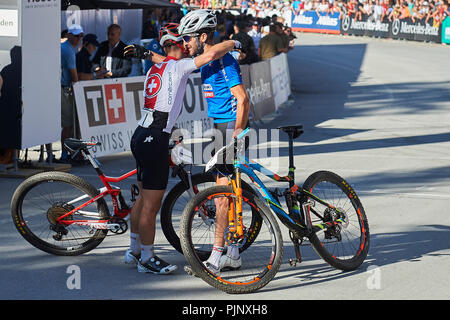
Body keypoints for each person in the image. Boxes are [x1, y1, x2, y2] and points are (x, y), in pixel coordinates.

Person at [122, 23, 242, 274]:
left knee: (142, 199)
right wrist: (234, 43)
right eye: (183, 43)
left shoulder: (157, 66)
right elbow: (210, 54)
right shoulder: (178, 66)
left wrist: (144, 52)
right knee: (151, 206)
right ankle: (147, 258)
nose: (188, 48)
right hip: (155, 137)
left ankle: (134, 250)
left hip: (140, 134)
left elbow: (159, 56)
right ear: (174, 46)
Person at [178, 9, 251, 275]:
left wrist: (237, 134)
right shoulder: (205, 58)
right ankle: (233, 253)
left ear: (203, 36)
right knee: (229, 193)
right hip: (219, 125)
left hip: (231, 126)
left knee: (221, 198)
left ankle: (216, 257)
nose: (185, 44)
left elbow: (243, 99)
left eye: (187, 38)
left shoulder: (225, 61)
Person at [59, 24, 83, 162]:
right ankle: (64, 154)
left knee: (67, 123)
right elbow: (74, 76)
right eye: (76, 35)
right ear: (69, 35)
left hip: (62, 88)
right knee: (67, 123)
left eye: (81, 35)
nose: (79, 38)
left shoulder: (68, 48)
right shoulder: (68, 50)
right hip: (63, 89)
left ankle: (64, 153)